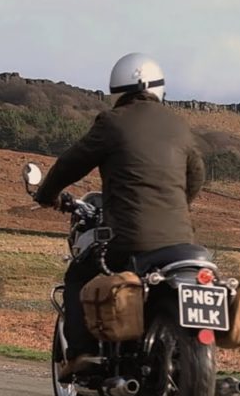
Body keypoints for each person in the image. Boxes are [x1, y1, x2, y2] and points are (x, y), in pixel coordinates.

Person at [33, 52, 206, 379]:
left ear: (116, 91)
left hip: (127, 238)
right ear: (159, 89)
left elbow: (71, 163)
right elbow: (196, 176)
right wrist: (177, 207)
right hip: (182, 242)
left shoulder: (112, 123)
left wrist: (46, 195)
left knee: (77, 276)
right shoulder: (178, 125)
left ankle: (82, 354)